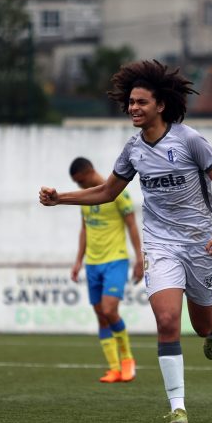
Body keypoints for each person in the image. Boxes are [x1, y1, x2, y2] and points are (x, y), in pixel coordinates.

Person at [39, 60, 212, 423]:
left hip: (201, 245)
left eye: (141, 102)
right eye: (130, 102)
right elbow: (107, 191)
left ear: (160, 105)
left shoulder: (190, 140)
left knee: (201, 323)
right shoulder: (132, 149)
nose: (133, 108)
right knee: (165, 322)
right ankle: (178, 408)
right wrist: (60, 197)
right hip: (160, 246)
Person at [68, 157, 143, 383]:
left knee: (110, 310)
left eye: (81, 181)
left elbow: (132, 225)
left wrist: (139, 257)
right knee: (101, 315)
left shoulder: (118, 193)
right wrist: (78, 260)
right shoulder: (86, 200)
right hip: (93, 263)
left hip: (115, 260)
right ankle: (114, 368)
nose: (80, 187)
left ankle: (128, 360)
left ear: (90, 171)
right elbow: (84, 229)